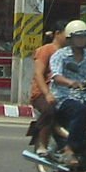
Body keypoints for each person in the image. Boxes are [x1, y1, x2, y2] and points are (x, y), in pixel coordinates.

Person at [48, 20, 86, 168]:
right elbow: (56, 75)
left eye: (84, 36)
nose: (82, 40)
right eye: (78, 37)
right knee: (80, 110)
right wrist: (70, 82)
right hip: (64, 96)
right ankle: (69, 149)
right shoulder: (60, 55)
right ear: (70, 38)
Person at [30, 20, 68, 155]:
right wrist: (47, 94)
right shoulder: (46, 50)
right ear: (57, 34)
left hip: (65, 92)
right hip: (42, 93)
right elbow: (38, 74)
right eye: (67, 34)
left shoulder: (71, 52)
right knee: (50, 109)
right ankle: (42, 144)